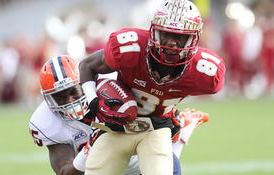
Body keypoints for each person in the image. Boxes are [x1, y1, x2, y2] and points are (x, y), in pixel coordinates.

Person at [79, 0, 226, 175]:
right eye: (165, 34)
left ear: (192, 38)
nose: (171, 43)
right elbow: (87, 65)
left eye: (179, 37)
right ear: (154, 31)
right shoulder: (131, 48)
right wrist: (93, 101)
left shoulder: (204, 70)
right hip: (117, 127)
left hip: (156, 128)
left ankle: (180, 130)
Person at [28, 55, 210, 175]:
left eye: (74, 92)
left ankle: (179, 137)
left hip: (141, 162)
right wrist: (90, 147)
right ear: (48, 99)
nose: (69, 101)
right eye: (60, 97)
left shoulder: (111, 90)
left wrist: (165, 120)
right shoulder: (44, 122)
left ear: (85, 83)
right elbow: (64, 171)